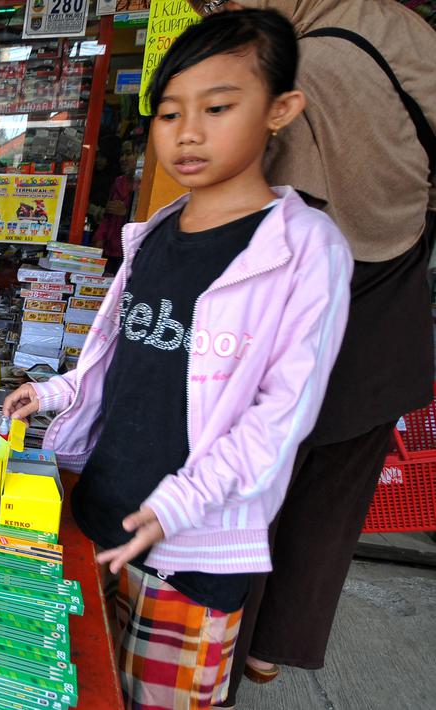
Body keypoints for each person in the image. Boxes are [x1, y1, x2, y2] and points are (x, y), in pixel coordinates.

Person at [2, 11, 352, 708]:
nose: (186, 133)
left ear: (279, 110)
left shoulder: (305, 250)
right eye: (168, 113)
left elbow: (281, 418)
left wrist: (178, 503)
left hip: (191, 548)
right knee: (82, 686)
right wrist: (54, 394)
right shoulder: (153, 233)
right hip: (100, 507)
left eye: (217, 107)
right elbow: (119, 357)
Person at [186, 2, 436, 705]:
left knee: (246, 493)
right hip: (393, 298)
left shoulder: (296, 67)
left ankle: (222, 667)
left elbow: (265, 214)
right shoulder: (401, 26)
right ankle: (271, 652)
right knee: (330, 501)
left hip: (302, 302)